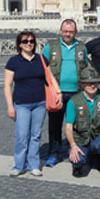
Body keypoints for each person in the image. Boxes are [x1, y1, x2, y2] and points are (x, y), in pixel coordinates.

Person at [4, 31, 62, 177]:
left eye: (31, 41)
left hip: (40, 103)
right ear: (19, 44)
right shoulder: (13, 61)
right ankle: (19, 165)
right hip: (21, 103)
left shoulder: (41, 59)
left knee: (35, 136)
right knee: (22, 135)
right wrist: (10, 106)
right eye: (25, 41)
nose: (28, 44)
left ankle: (34, 164)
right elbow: (7, 85)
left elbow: (50, 78)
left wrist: (58, 93)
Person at [42, 19, 88, 167]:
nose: (68, 34)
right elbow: (43, 68)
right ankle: (54, 153)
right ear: (61, 31)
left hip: (77, 93)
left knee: (76, 124)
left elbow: (86, 67)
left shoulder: (81, 47)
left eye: (71, 32)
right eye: (65, 31)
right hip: (57, 93)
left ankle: (73, 149)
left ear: (76, 32)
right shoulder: (51, 46)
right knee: (55, 124)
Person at [65, 66, 100, 177]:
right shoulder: (74, 101)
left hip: (98, 137)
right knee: (77, 161)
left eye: (95, 83)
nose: (93, 86)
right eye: (89, 83)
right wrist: (73, 145)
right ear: (82, 84)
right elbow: (68, 127)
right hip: (80, 139)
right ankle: (87, 160)